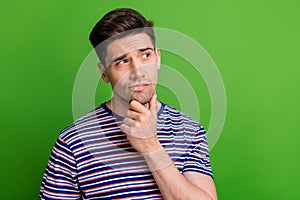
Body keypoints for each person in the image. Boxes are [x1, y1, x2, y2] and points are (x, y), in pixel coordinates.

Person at [39, 8, 218, 200]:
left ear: (158, 57)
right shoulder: (73, 141)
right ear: (104, 73)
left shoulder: (189, 131)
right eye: (122, 61)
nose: (138, 71)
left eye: (145, 55)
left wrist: (151, 147)